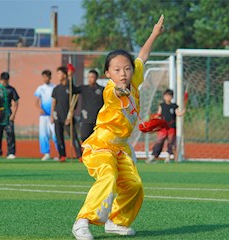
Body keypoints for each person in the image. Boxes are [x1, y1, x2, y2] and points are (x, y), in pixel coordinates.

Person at [72, 14, 164, 240]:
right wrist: (118, 90)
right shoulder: (111, 90)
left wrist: (154, 34)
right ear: (107, 74)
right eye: (116, 70)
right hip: (101, 145)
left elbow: (142, 56)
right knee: (108, 176)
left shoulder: (133, 82)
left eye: (127, 69)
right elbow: (114, 93)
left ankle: (115, 221)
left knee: (134, 186)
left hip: (121, 148)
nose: (123, 73)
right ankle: (82, 222)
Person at [51, 66, 82, 162]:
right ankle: (62, 155)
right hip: (58, 116)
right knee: (59, 137)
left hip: (68, 117)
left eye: (60, 74)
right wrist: (52, 115)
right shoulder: (56, 88)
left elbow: (75, 100)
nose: (58, 76)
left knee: (74, 137)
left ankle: (80, 155)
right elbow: (54, 102)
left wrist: (71, 115)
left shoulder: (70, 87)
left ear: (64, 75)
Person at [146, 89, 185, 164]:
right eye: (166, 96)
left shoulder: (174, 106)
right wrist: (153, 117)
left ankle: (168, 157)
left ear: (172, 97)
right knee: (159, 141)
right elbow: (158, 114)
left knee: (171, 142)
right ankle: (154, 156)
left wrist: (182, 112)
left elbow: (178, 114)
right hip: (162, 127)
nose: (167, 97)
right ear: (164, 96)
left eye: (169, 96)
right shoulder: (162, 105)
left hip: (171, 127)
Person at [34, 70, 58, 161]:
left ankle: (60, 153)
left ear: (50, 77)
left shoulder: (54, 87)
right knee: (44, 134)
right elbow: (36, 101)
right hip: (43, 116)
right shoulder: (40, 88)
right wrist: (40, 109)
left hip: (53, 115)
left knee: (55, 134)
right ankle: (46, 153)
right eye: (43, 77)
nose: (45, 79)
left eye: (47, 77)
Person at [76, 69, 104, 143]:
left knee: (97, 139)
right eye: (88, 77)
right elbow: (72, 89)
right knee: (84, 137)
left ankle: (96, 154)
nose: (90, 79)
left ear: (96, 78)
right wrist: (70, 77)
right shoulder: (83, 88)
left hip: (98, 119)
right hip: (86, 118)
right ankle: (86, 153)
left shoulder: (101, 89)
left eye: (92, 77)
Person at [0, 72, 20, 159]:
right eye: (3, 80)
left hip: (8, 113)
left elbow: (16, 102)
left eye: (6, 80)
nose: (4, 82)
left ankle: (11, 152)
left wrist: (13, 114)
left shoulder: (11, 89)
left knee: (10, 134)